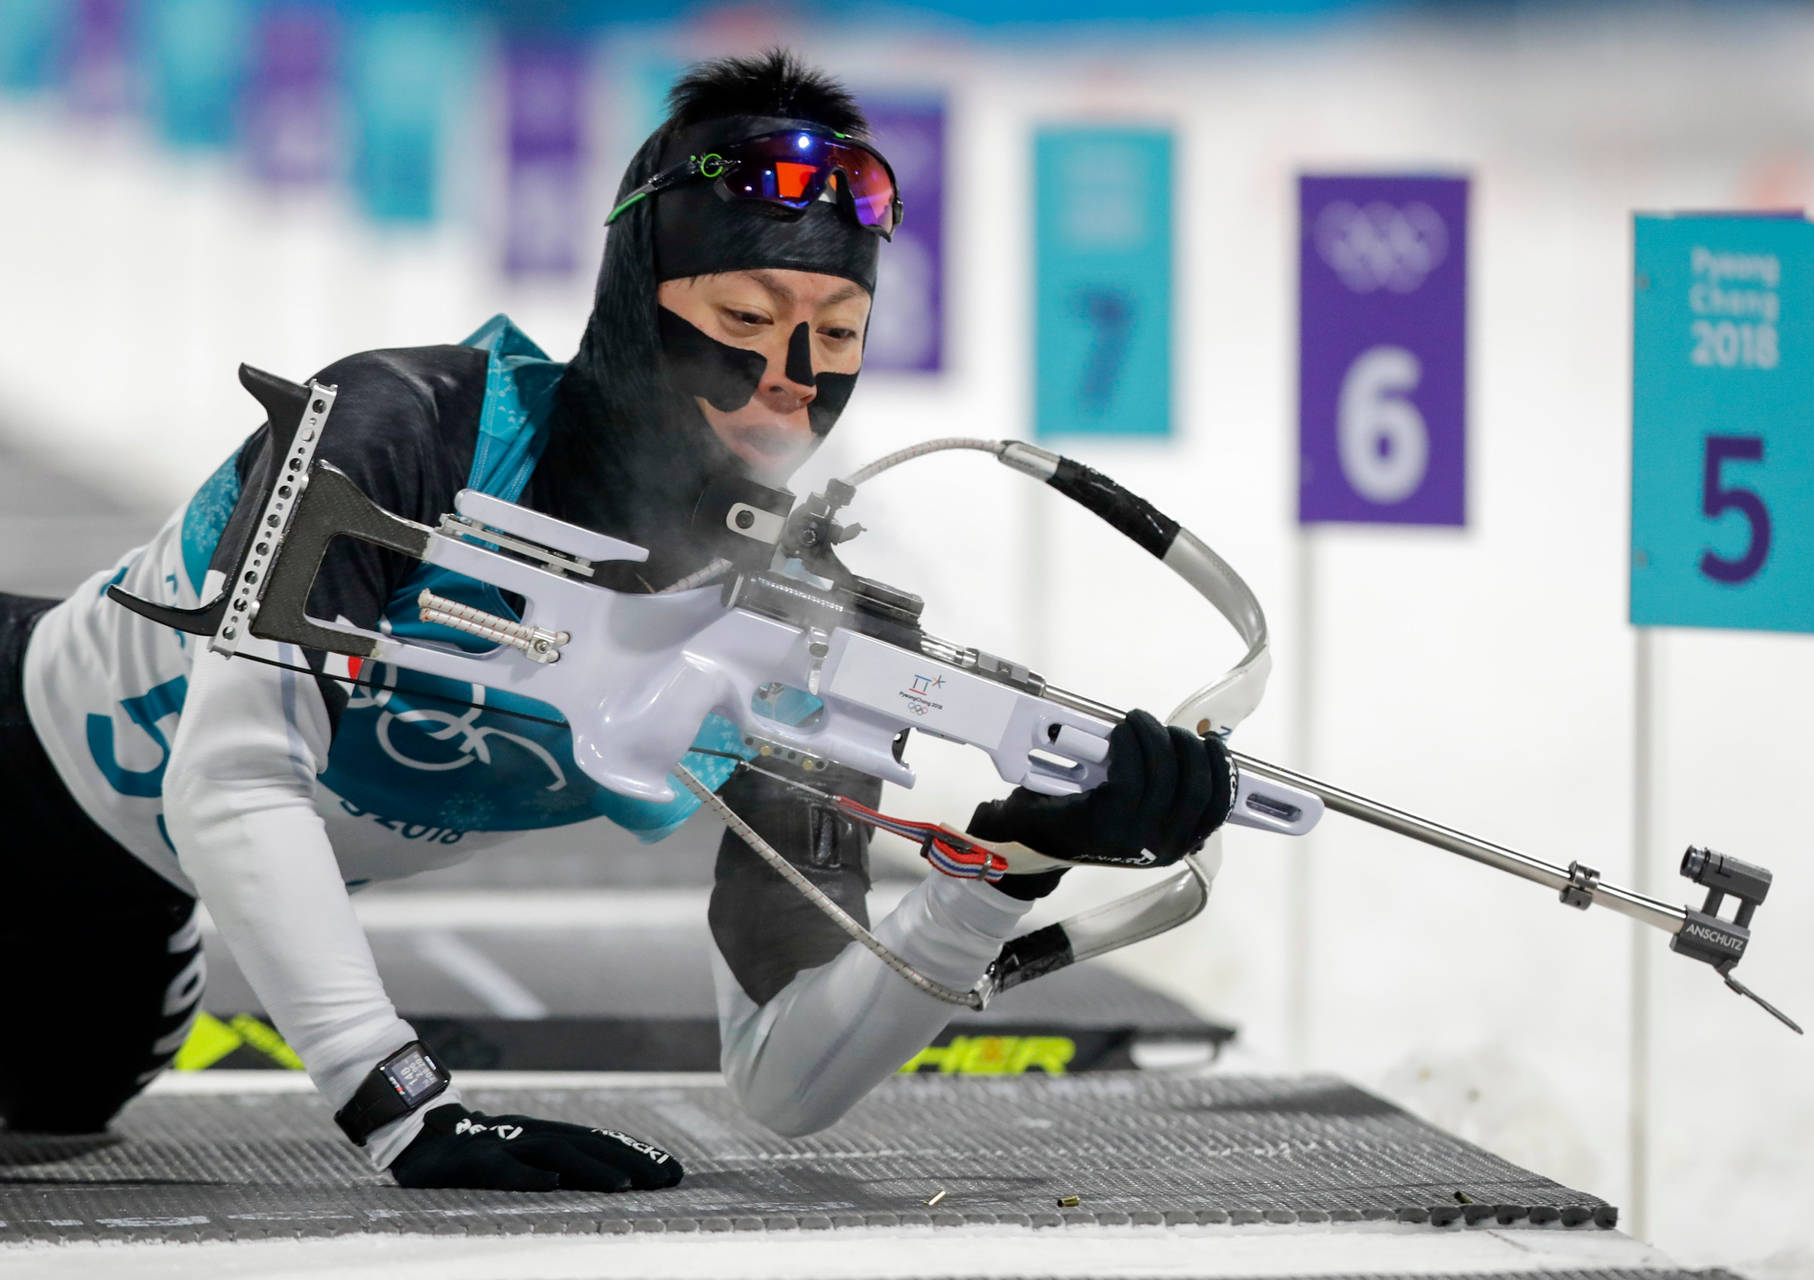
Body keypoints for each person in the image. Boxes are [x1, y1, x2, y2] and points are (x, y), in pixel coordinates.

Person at [0, 50, 1232, 1192]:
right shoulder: (403, 428)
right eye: (744, 320)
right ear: (641, 303)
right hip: (20, 733)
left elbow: (784, 1074)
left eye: (838, 331)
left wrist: (1002, 870)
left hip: (133, 906)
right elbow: (232, 779)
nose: (791, 371)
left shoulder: (798, 629)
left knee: (59, 1109)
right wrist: (397, 1101)